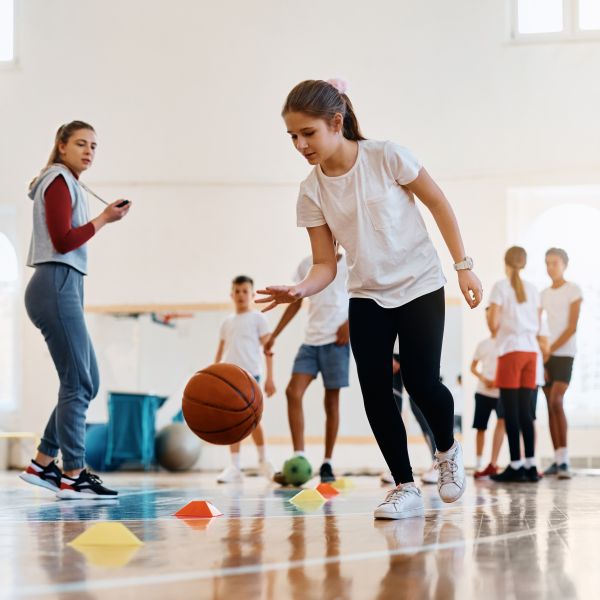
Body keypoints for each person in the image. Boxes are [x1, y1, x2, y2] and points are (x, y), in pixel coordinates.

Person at [257, 78, 483, 520]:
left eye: (308, 133)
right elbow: (325, 263)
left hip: (419, 284)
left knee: (421, 383)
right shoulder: (311, 191)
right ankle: (404, 485)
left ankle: (447, 448)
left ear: (336, 122)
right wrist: (300, 288)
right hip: (367, 295)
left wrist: (463, 265)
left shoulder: (386, 156)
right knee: (375, 391)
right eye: (293, 137)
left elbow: (438, 203)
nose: (300, 144)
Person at [19, 121, 131, 499]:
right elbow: (64, 240)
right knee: (78, 382)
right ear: (61, 146)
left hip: (64, 285)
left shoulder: (68, 182)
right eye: (81, 143)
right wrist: (104, 220)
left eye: (94, 146)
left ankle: (42, 462)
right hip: (55, 284)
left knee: (87, 381)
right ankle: (73, 472)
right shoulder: (57, 179)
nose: (89, 151)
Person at [265, 248, 349, 484]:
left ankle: (327, 462)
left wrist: (351, 323)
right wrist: (275, 334)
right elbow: (294, 302)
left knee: (331, 402)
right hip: (311, 342)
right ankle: (299, 457)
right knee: (293, 392)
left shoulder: (351, 264)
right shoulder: (306, 265)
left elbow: (365, 296)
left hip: (337, 342)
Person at [215, 275, 276, 483]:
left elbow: (268, 349)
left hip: (251, 375)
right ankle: (235, 465)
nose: (241, 295)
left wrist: (270, 378)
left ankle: (263, 461)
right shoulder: (227, 322)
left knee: (253, 419)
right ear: (231, 294)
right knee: (232, 420)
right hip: (229, 376)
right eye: (237, 291)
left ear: (251, 294)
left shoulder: (258, 319)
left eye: (245, 291)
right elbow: (220, 351)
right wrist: (213, 375)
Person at [489, 247, 541, 483]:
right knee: (526, 412)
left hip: (510, 351)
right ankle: (530, 465)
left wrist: (496, 327)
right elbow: (538, 322)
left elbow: (493, 323)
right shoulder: (533, 289)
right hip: (531, 352)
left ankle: (516, 465)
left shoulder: (500, 287)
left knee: (510, 413)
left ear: (505, 263)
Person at [541, 248, 582, 479]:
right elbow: (538, 325)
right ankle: (557, 460)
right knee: (549, 404)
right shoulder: (543, 294)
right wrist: (543, 353)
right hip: (546, 356)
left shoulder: (573, 290)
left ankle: (565, 461)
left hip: (564, 354)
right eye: (547, 263)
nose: (550, 267)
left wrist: (550, 351)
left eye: (554, 263)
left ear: (564, 264)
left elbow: (571, 327)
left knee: (557, 400)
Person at [380, 355, 438, 486]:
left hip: (413, 352)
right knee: (393, 411)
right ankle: (397, 468)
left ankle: (437, 463)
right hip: (393, 357)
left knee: (420, 410)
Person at [471, 308, 503, 479]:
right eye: (487, 318)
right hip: (483, 392)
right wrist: (484, 378)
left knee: (501, 424)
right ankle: (478, 463)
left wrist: (498, 381)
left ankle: (493, 463)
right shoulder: (482, 344)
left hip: (501, 393)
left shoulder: (506, 342)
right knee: (480, 428)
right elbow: (472, 367)